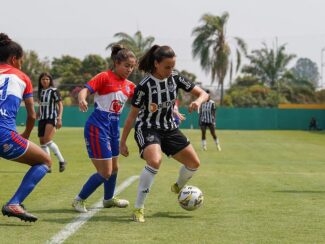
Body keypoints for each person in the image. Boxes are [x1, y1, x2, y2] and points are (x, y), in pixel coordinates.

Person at [120, 45, 209, 223]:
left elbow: (203, 93)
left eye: (172, 66)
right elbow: (132, 116)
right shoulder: (144, 86)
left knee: (194, 163)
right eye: (167, 67)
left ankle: (178, 186)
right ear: (156, 64)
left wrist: (198, 101)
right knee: (155, 160)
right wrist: (122, 142)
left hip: (169, 128)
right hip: (147, 128)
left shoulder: (175, 78)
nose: (170, 70)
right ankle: (138, 209)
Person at [72, 44, 137, 213]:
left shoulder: (130, 86)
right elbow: (85, 90)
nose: (129, 69)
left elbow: (143, 100)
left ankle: (108, 199)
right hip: (97, 127)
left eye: (132, 66)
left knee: (114, 168)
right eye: (126, 66)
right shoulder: (104, 77)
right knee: (106, 172)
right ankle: (79, 200)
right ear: (116, 63)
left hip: (113, 128)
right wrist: (82, 99)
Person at [0, 33, 51, 222]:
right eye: (21, 60)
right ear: (14, 59)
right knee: (44, 161)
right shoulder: (22, 77)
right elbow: (31, 115)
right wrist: (26, 134)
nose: (21, 64)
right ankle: (14, 203)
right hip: (4, 134)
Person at [37, 72, 67, 172]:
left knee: (47, 140)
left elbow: (60, 105)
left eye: (47, 79)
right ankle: (48, 164)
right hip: (42, 118)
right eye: (43, 79)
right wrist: (36, 115)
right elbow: (41, 105)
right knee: (42, 142)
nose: (45, 81)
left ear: (50, 80)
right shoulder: (40, 92)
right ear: (40, 81)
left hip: (51, 117)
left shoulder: (54, 91)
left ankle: (62, 161)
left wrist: (59, 118)